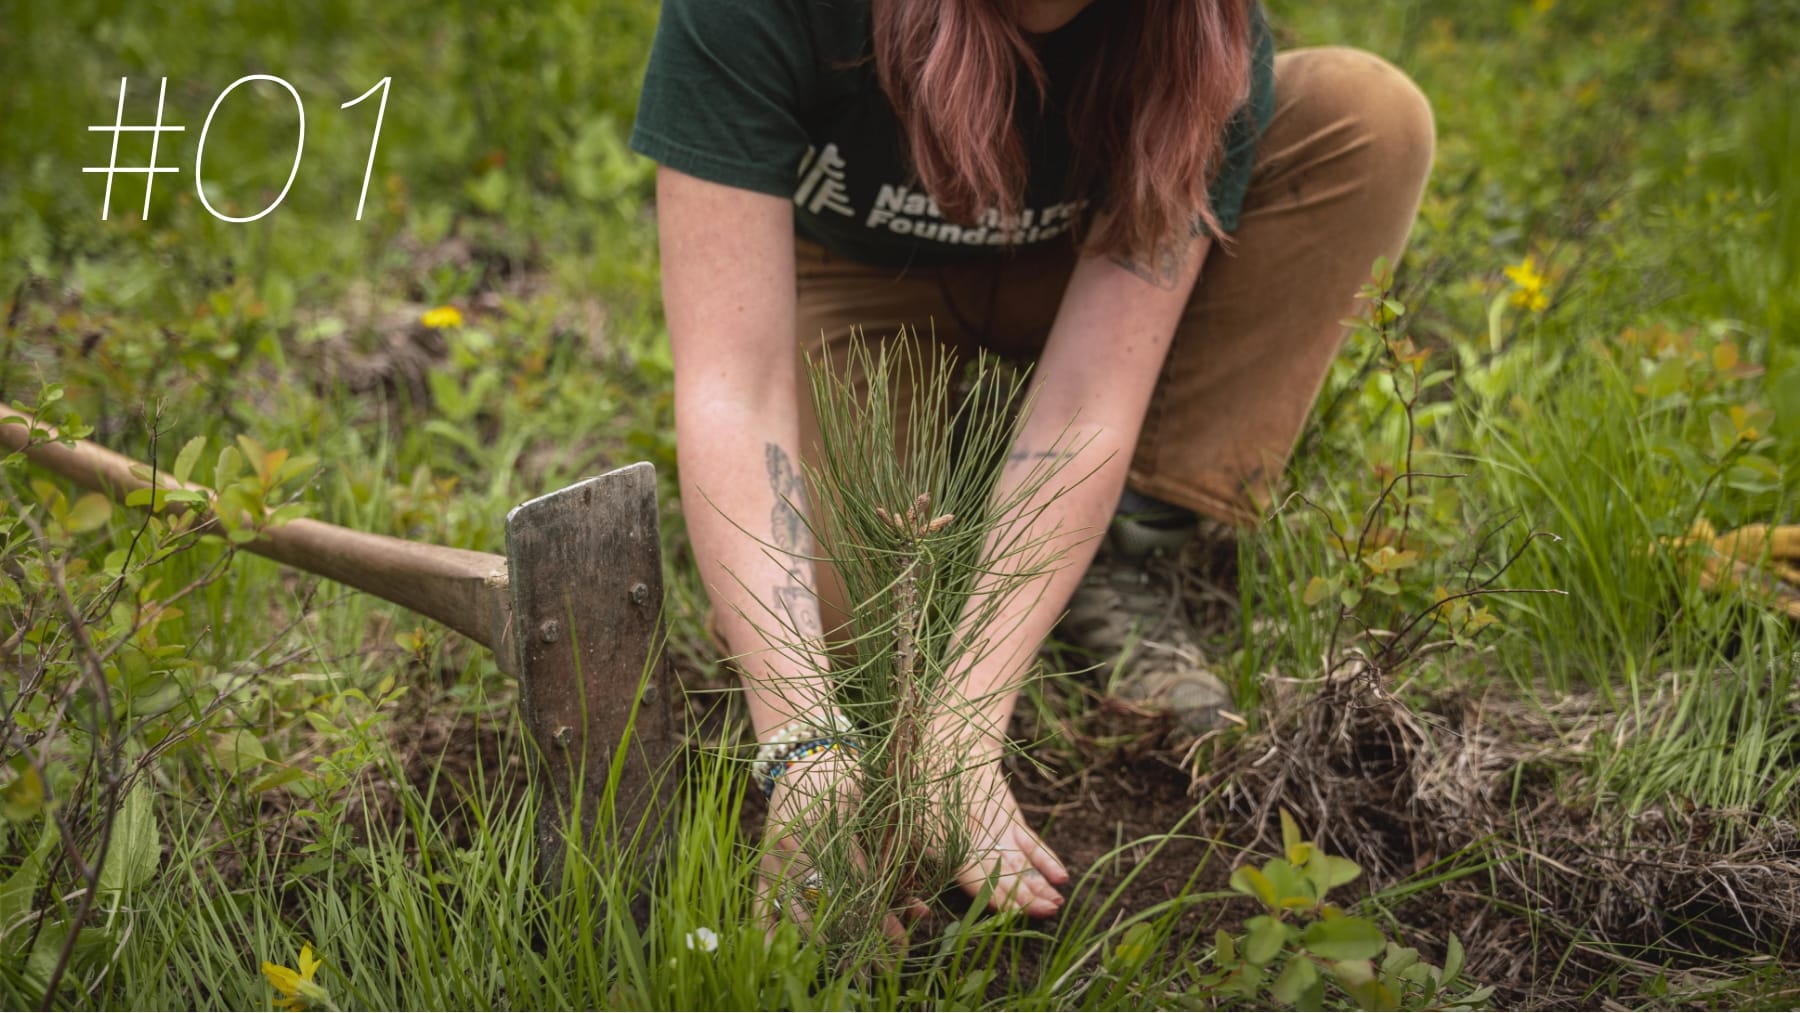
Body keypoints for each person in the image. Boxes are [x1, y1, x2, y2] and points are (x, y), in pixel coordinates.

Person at [631, 0, 1434, 920]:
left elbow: (1089, 403)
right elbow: (738, 385)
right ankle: (968, 469)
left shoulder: (1199, 29)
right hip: (862, 280)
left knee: (1365, 114)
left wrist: (962, 730)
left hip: (1081, 262)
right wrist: (804, 744)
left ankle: (1129, 537)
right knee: (838, 615)